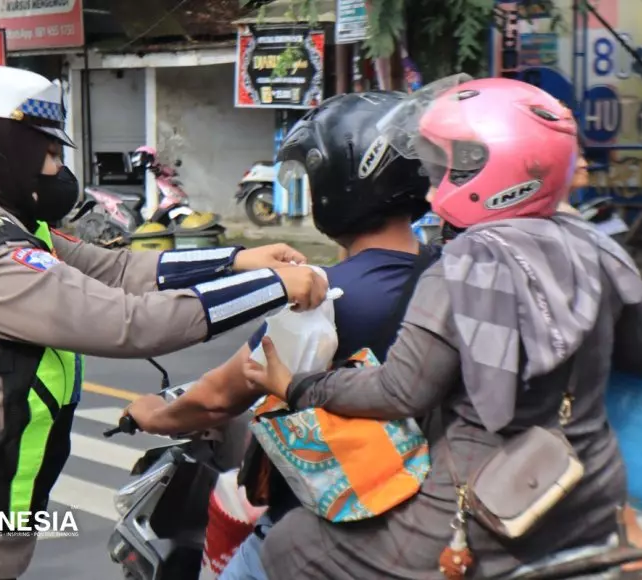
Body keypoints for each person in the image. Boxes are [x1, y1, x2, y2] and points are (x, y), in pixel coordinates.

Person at [0, 65, 328, 580]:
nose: (60, 172)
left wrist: (236, 262)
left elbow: (117, 268)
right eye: (51, 155)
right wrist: (273, 288)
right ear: (2, 153)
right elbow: (129, 323)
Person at [242, 76, 642, 579]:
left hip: (487, 514)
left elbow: (399, 392)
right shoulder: (601, 248)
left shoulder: (466, 266)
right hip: (592, 498)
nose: (435, 188)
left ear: (499, 173)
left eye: (451, 169)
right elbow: (638, 353)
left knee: (291, 542)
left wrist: (297, 386)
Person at [125, 91, 437, 579]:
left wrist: (154, 414)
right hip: (425, 523)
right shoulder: (451, 275)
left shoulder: (323, 297)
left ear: (341, 182)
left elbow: (219, 397)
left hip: (330, 530)